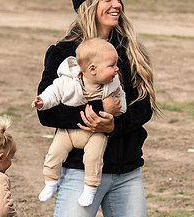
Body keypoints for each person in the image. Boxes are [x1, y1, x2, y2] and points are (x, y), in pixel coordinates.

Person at [21, 0, 157, 217]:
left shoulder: (127, 49)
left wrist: (114, 124)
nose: (117, 5)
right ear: (89, 3)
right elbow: (47, 114)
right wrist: (98, 114)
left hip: (127, 172)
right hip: (80, 173)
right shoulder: (63, 53)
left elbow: (143, 107)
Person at [32, 37, 127, 207]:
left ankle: (90, 189)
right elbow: (53, 92)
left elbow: (121, 100)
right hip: (68, 131)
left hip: (96, 132)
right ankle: (50, 182)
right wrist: (42, 101)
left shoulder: (113, 84)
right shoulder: (68, 80)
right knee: (55, 153)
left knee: (93, 157)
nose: (116, 69)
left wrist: (117, 111)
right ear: (92, 69)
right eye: (111, 66)